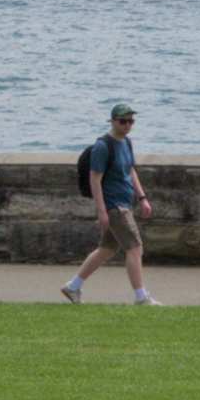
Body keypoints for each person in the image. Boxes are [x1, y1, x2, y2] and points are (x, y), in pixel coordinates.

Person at [62, 104, 157, 305]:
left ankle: (73, 287)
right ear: (113, 121)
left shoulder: (127, 142)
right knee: (135, 248)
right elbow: (95, 179)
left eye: (131, 121)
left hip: (125, 202)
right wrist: (102, 211)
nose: (127, 125)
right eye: (123, 121)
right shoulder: (103, 146)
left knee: (107, 249)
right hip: (115, 206)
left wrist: (142, 198)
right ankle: (141, 297)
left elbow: (130, 170)